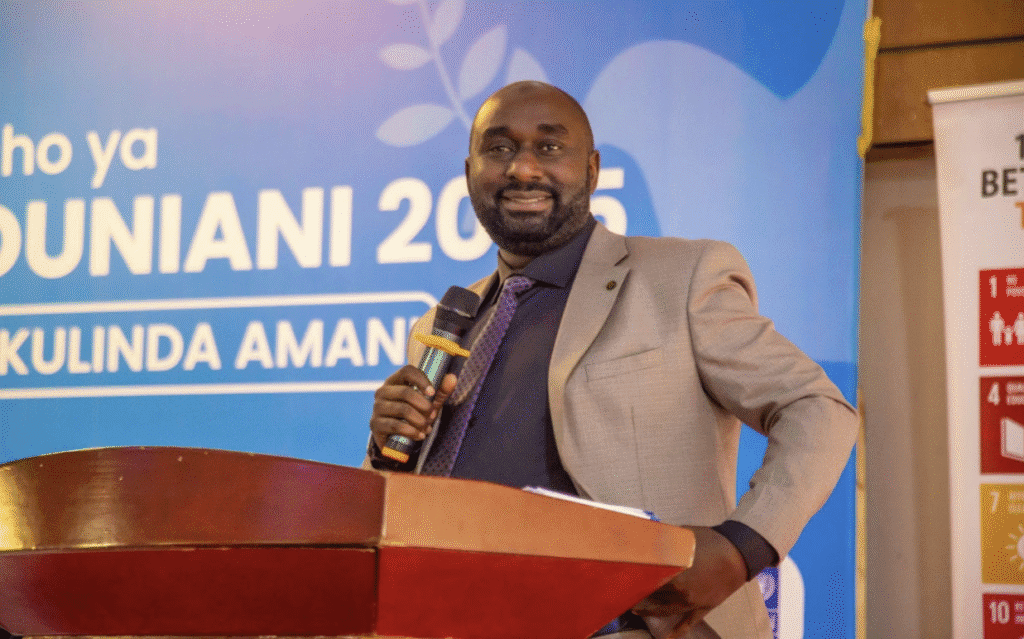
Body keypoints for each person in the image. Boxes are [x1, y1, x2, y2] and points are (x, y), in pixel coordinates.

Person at [366, 81, 858, 639]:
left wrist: (741, 546)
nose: (523, 169)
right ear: (470, 170)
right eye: (499, 149)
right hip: (450, 619)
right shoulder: (440, 328)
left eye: (550, 148)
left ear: (593, 170)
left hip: (626, 624)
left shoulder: (681, 279)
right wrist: (386, 453)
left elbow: (817, 406)